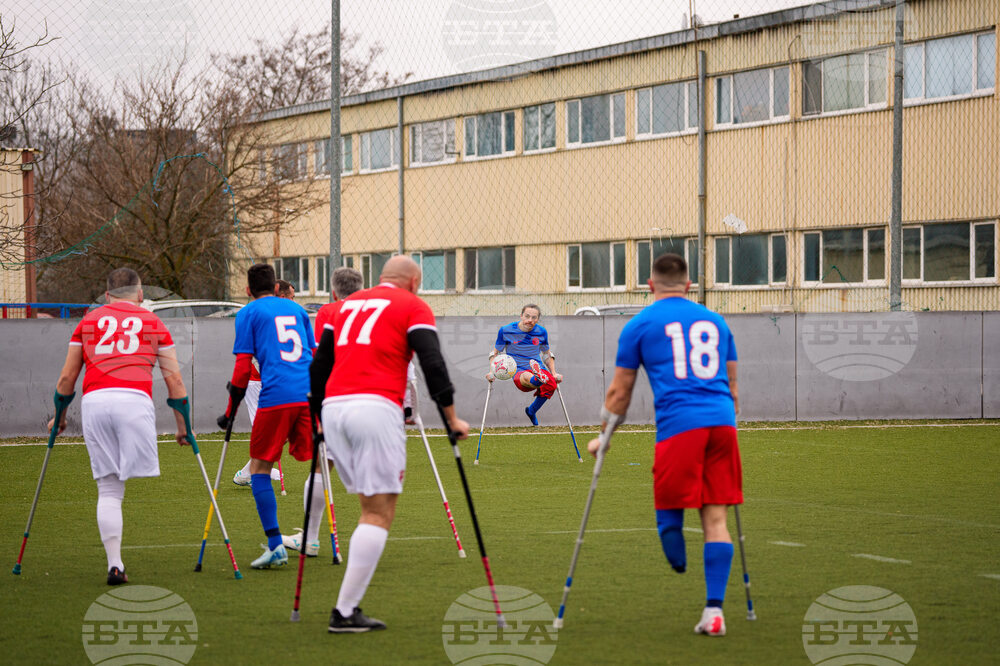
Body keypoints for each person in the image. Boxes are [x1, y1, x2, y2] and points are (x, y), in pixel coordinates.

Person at [310, 255, 469, 632]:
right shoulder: (413, 305)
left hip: (334, 408)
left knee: (368, 504)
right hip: (375, 406)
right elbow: (432, 362)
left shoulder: (345, 305)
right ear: (414, 282)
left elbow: (319, 366)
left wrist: (317, 419)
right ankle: (345, 612)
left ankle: (346, 607)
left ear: (381, 278)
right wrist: (451, 418)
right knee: (378, 511)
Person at [588, 253, 742, 637]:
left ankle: (678, 560)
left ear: (649, 285)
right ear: (689, 286)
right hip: (722, 424)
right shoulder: (717, 321)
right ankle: (714, 611)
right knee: (716, 518)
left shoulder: (640, 324)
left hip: (680, 427)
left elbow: (619, 392)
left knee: (669, 507)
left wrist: (603, 438)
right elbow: (733, 388)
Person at [48, 268, 191, 585]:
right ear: (141, 295)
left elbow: (67, 378)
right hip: (134, 401)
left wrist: (59, 418)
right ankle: (115, 564)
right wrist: (184, 427)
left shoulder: (87, 323)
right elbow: (175, 381)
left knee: (109, 489)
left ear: (107, 295)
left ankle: (115, 564)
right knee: (121, 485)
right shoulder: (155, 323)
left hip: (95, 402)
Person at [226, 264, 315, 569]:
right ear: (277, 288)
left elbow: (242, 368)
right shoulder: (298, 311)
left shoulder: (248, 313)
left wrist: (229, 411)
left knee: (260, 467)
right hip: (307, 394)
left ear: (248, 291)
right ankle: (314, 535)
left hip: (276, 396)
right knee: (321, 461)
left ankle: (276, 545)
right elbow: (313, 354)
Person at [280, 266, 364, 558]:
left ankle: (311, 539)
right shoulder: (373, 310)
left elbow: (320, 356)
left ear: (333, 290)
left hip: (338, 395)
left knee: (320, 467)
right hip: (373, 398)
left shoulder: (329, 313)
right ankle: (370, 534)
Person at [229, 278, 296, 486]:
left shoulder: (283, 316)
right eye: (292, 297)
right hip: (257, 381)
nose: (294, 302)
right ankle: (251, 472)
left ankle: (252, 469)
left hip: (273, 380)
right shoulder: (260, 315)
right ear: (282, 296)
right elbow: (255, 353)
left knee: (281, 430)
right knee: (271, 431)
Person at [486, 304, 563, 425]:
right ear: (521, 316)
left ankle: (531, 411)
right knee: (528, 376)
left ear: (538, 319)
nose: (530, 320)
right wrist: (492, 372)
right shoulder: (506, 330)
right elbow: (495, 353)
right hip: (517, 368)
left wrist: (554, 373)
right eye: (527, 316)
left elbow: (546, 355)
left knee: (551, 385)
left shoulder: (542, 332)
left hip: (538, 365)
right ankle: (538, 378)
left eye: (534, 318)